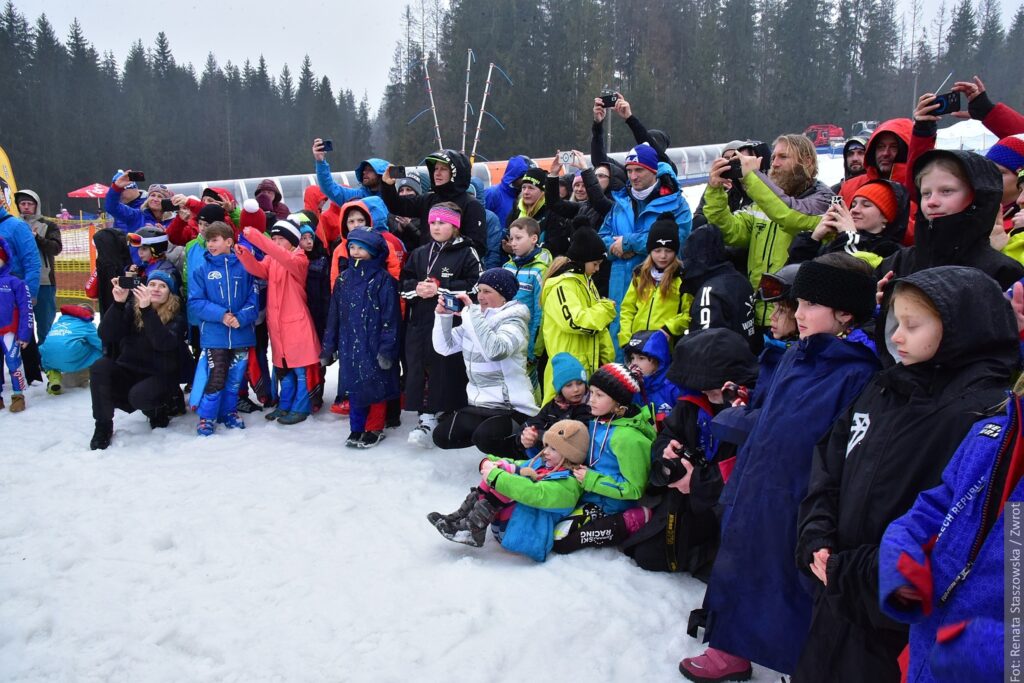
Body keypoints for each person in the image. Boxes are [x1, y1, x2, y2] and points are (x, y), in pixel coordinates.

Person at [793, 266, 1018, 682]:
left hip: (896, 623)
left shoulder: (984, 417)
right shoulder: (883, 387)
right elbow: (830, 461)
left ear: (960, 329)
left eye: (912, 326)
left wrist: (860, 573)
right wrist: (817, 533)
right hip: (836, 594)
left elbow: (952, 530)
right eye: (895, 322)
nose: (895, 337)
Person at [681, 254, 881, 682]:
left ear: (845, 313)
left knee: (791, 583)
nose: (799, 313)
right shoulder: (797, 354)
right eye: (799, 302)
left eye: (811, 305)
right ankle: (730, 646)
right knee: (741, 564)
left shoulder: (860, 372)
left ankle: (798, 664)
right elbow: (769, 415)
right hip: (758, 482)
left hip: (802, 495)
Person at [879, 377, 1024, 683]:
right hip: (923, 659)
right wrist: (901, 561)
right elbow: (932, 509)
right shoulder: (989, 437)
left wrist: (992, 649)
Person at [625, 328, 759, 578]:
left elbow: (751, 470)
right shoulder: (692, 400)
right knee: (648, 556)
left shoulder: (753, 411)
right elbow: (667, 435)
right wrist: (665, 453)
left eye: (711, 388)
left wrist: (697, 483)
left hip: (727, 510)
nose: (707, 393)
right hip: (687, 506)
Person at [702, 133, 830, 333]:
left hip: (798, 315)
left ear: (807, 161)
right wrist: (715, 190)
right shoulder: (762, 204)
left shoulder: (822, 199)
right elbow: (729, 231)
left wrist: (753, 177)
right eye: (773, 158)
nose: (775, 164)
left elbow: (789, 214)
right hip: (758, 312)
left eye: (783, 157)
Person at [428, 419, 587, 560]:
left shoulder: (569, 484)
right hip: (506, 526)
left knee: (510, 482)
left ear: (570, 455)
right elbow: (516, 464)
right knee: (506, 471)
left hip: (525, 535)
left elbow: (535, 493)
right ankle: (463, 518)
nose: (545, 452)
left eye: (553, 449)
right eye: (546, 446)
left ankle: (473, 527)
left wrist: (497, 477)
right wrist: (490, 462)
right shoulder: (543, 464)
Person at [878, 149, 1024, 290]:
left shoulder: (1002, 271)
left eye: (946, 191)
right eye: (926, 193)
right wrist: (878, 308)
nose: (931, 201)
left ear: (977, 197)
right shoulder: (899, 261)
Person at [431, 267, 538, 455]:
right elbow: (444, 347)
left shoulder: (514, 322)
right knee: (442, 435)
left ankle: (520, 452)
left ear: (504, 296)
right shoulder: (478, 319)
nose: (480, 296)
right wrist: (443, 316)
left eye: (487, 291)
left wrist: (471, 314)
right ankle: (497, 441)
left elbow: (495, 351)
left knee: (485, 437)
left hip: (511, 406)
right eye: (479, 290)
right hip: (481, 405)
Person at [400, 202, 481, 447]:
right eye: (433, 222)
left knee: (446, 370)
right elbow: (403, 284)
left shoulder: (467, 252)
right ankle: (425, 417)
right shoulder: (420, 252)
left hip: (450, 323)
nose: (436, 226)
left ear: (454, 226)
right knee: (419, 369)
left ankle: (448, 413)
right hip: (420, 322)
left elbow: (476, 287)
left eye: (442, 222)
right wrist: (416, 289)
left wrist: (440, 289)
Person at [551, 363, 655, 554]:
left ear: (618, 401)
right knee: (549, 522)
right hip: (591, 495)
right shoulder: (600, 420)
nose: (591, 400)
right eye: (591, 393)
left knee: (560, 541)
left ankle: (631, 521)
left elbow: (634, 489)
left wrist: (591, 479)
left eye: (599, 395)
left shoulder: (627, 438)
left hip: (614, 505)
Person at [599, 143, 692, 354]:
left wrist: (628, 242)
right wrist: (616, 248)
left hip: (660, 293)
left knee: (653, 361)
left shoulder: (676, 203)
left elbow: (679, 236)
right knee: (620, 359)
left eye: (639, 170)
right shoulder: (620, 203)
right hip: (620, 285)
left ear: (653, 171)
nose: (633, 176)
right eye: (629, 171)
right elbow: (603, 237)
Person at [89, 271, 189, 450]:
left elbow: (163, 343)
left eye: (162, 286)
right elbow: (106, 334)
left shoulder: (177, 316)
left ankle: (159, 410)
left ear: (170, 293)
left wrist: (147, 311)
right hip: (129, 370)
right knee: (100, 367)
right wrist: (118, 304)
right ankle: (103, 426)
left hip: (161, 376)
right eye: (152, 284)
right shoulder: (131, 308)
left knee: (139, 396)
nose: (156, 289)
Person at [235, 221, 321, 425]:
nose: (276, 243)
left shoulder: (298, 259)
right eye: (273, 239)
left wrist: (257, 237)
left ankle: (301, 407)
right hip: (278, 325)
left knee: (300, 369)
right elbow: (258, 269)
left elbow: (282, 256)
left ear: (292, 241)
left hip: (297, 323)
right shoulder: (271, 259)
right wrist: (243, 254)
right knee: (284, 369)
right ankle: (285, 406)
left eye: (280, 239)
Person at [321, 229, 400, 448]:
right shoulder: (343, 279)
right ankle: (356, 428)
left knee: (376, 388)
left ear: (374, 250)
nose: (355, 252)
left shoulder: (383, 280)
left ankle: (374, 427)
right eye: (352, 247)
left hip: (374, 345)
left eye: (361, 248)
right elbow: (333, 315)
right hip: (350, 346)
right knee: (354, 387)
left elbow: (390, 318)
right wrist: (328, 347)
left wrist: (387, 349)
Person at [187, 221, 260, 436]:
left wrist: (242, 317)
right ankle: (207, 416)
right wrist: (221, 315)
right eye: (208, 240)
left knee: (236, 377)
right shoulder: (202, 269)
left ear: (229, 241)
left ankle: (228, 412)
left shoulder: (246, 267)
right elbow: (195, 302)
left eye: (215, 239)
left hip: (241, 333)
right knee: (216, 375)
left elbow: (254, 298)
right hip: (214, 335)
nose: (210, 244)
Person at [536, 227, 616, 403]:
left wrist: (607, 358)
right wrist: (605, 310)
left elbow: (598, 328)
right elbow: (574, 322)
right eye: (595, 264)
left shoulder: (587, 283)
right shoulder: (562, 286)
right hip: (564, 371)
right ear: (583, 260)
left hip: (587, 369)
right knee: (556, 423)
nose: (597, 269)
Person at [381, 150, 487, 258]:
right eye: (436, 168)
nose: (437, 173)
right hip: (428, 267)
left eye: (443, 169)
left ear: (455, 173)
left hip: (457, 269)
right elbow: (398, 206)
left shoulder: (472, 205)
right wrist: (387, 186)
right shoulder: (429, 199)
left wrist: (449, 260)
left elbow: (477, 247)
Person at [789, 179, 909, 266]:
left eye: (866, 205)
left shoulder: (894, 253)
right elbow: (795, 276)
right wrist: (812, 239)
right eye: (854, 204)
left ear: (886, 217)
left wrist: (848, 237)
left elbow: (848, 276)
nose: (855, 210)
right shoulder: (834, 242)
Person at [617, 213, 690, 350]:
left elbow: (688, 314)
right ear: (650, 251)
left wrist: (669, 328)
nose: (663, 256)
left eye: (668, 250)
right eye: (657, 250)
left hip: (665, 346)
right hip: (637, 345)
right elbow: (628, 309)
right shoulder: (640, 275)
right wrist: (626, 338)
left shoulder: (682, 277)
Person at [679, 225, 756, 344]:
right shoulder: (742, 281)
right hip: (747, 358)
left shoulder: (709, 292)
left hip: (720, 360)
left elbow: (704, 346)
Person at [516, 353, 592, 458]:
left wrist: (540, 435)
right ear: (560, 388)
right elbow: (533, 422)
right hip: (551, 456)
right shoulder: (553, 405)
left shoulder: (591, 406)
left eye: (579, 383)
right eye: (568, 385)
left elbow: (573, 438)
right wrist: (526, 436)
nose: (576, 389)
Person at [502, 217, 551, 376]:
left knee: (527, 388)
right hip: (505, 339)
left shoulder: (540, 271)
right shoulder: (507, 267)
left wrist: (533, 350)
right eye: (511, 239)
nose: (513, 243)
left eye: (518, 238)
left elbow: (541, 312)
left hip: (526, 344)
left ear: (534, 239)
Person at [14, 190, 61, 344]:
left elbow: (56, 248)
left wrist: (38, 239)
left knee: (44, 324)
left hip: (44, 281)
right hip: (18, 281)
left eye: (30, 204)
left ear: (37, 205)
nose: (26, 207)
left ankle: (45, 359)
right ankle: (27, 359)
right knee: (20, 324)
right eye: (23, 203)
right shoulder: (14, 225)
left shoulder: (48, 225)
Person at [838, 119, 913, 208]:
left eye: (894, 147)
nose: (885, 153)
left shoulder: (918, 189)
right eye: (880, 147)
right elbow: (832, 219)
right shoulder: (848, 188)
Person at [38, 303, 102, 394]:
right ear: (89, 315)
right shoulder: (86, 324)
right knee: (97, 350)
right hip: (69, 357)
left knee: (50, 350)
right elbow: (100, 343)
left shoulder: (59, 322)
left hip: (48, 359)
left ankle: (54, 378)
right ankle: (82, 376)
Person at [0, 237, 32, 412]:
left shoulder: (15, 283)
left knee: (13, 362)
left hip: (9, 332)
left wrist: (25, 333)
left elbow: (26, 309)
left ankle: (18, 395)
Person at [622, 329, 679, 427]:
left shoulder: (674, 388)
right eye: (632, 358)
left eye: (641, 358)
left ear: (658, 360)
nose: (634, 363)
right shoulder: (631, 387)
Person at [312, 139, 390, 205]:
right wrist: (320, 162)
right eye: (364, 169)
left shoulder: (393, 200)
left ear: (382, 175)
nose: (364, 172)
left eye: (370, 170)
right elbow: (329, 188)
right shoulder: (355, 197)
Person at [105, 173, 176, 232]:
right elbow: (112, 207)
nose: (155, 199)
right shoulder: (136, 215)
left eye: (160, 197)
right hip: (138, 248)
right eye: (152, 195)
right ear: (148, 199)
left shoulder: (173, 221)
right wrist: (116, 187)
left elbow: (180, 242)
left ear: (166, 201)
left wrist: (164, 234)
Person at [484, 154, 532, 226]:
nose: (527, 180)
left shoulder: (527, 197)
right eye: (524, 177)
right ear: (514, 177)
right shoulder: (492, 194)